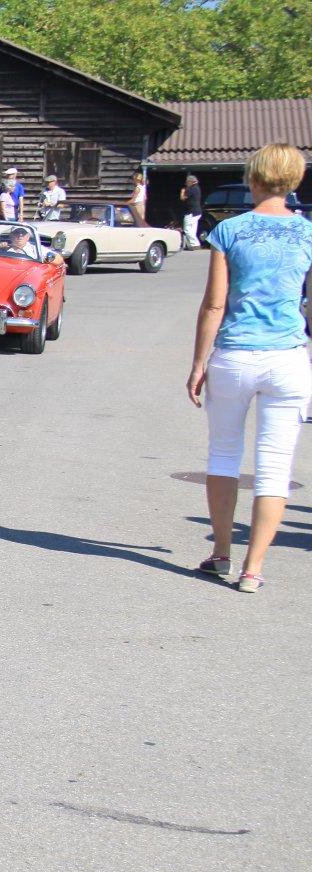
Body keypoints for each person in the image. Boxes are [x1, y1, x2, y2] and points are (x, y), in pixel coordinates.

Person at [185, 143, 312, 592]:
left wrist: (198, 363)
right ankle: (253, 569)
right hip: (288, 357)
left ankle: (221, 553)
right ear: (294, 181)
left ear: (253, 179)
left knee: (223, 454)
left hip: (236, 355)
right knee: (276, 466)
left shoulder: (229, 230)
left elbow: (214, 304)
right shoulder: (308, 233)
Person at [180, 174, 204, 250]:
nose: (186, 184)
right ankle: (191, 245)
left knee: (187, 229)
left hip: (191, 212)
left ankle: (195, 244)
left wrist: (182, 191)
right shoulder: (197, 188)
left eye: (187, 182)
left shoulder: (191, 189)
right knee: (192, 229)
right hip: (198, 211)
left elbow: (183, 198)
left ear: (190, 182)